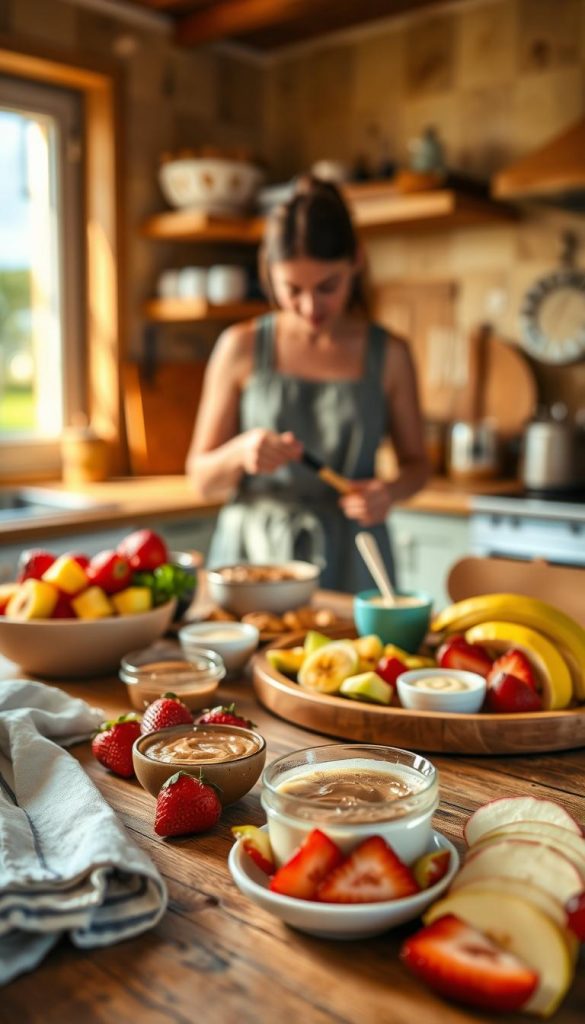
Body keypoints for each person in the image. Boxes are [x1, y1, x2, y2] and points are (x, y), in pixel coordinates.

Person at [186, 175, 429, 592]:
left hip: (354, 557)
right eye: (292, 289)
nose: (310, 306)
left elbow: (418, 466)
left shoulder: (390, 354)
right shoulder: (240, 347)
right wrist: (241, 453)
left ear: (357, 260)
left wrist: (386, 492)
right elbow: (200, 478)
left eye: (327, 287)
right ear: (269, 273)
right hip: (253, 561)